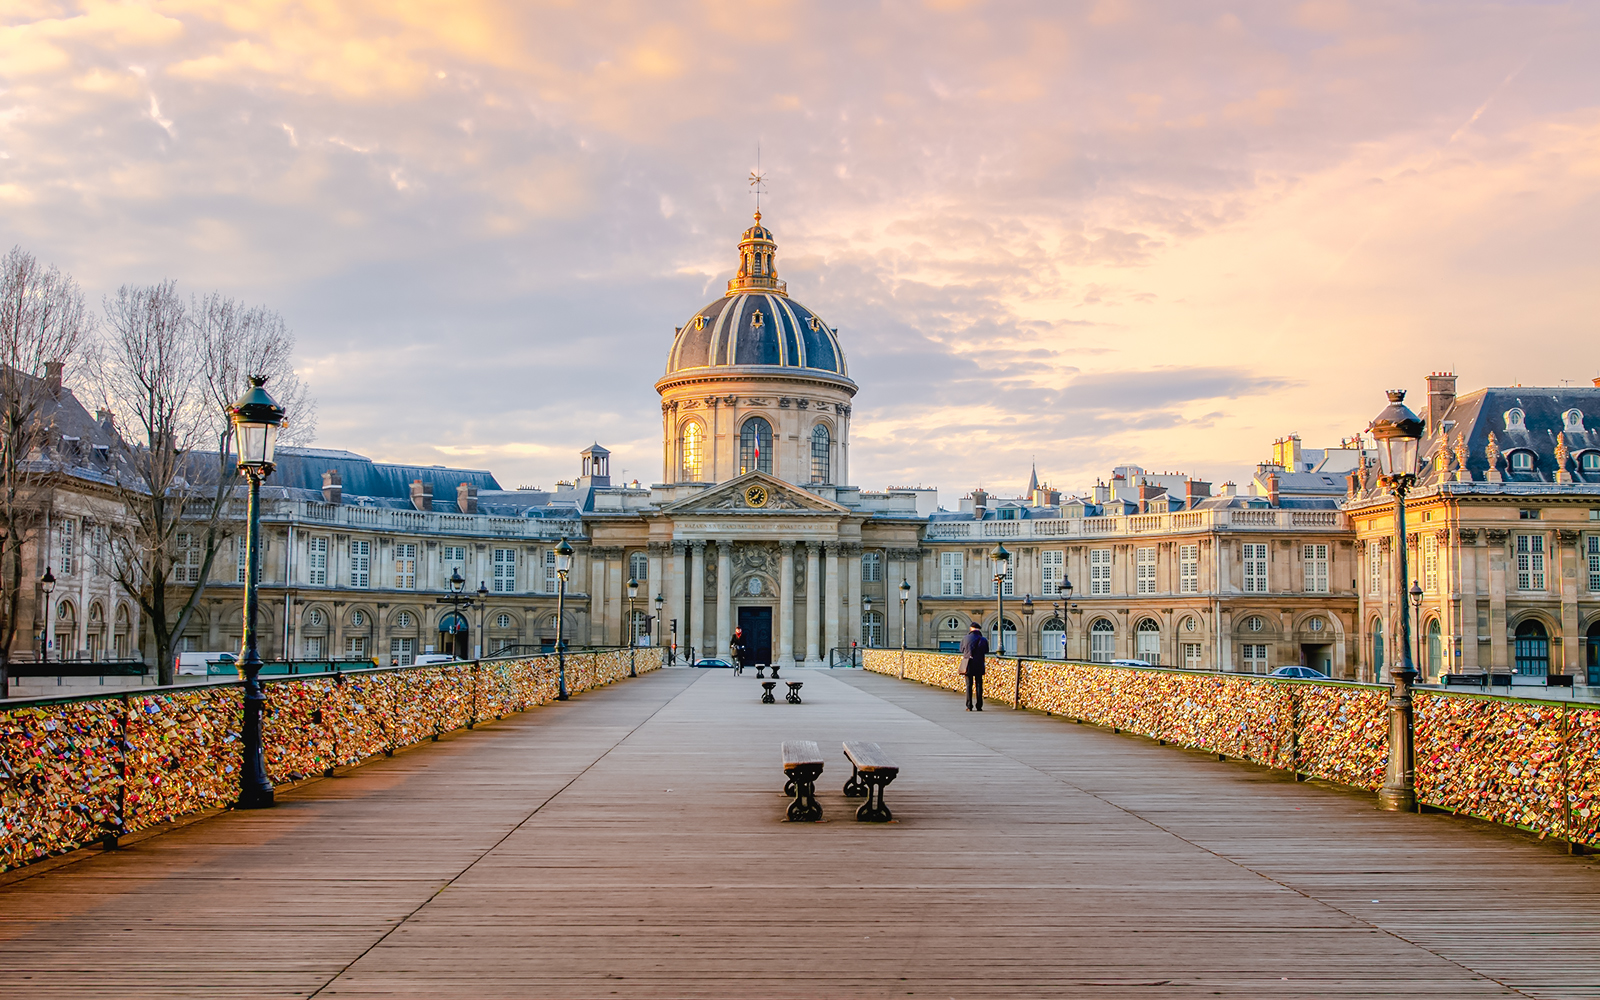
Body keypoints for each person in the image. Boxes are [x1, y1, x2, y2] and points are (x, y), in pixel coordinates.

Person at [958, 622, 989, 710]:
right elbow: (986, 650)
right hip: (979, 664)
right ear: (979, 629)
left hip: (968, 664)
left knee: (968, 685)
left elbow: (961, 649)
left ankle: (969, 706)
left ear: (970, 628)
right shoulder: (983, 639)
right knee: (979, 685)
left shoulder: (965, 638)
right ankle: (979, 706)